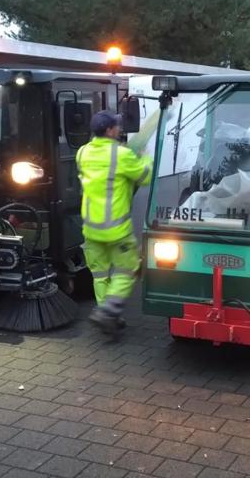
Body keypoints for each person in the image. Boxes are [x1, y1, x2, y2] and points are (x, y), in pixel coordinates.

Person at [77, 110, 152, 334]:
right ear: (109, 130)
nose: (120, 130)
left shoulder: (82, 152)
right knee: (128, 268)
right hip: (116, 229)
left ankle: (105, 314)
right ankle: (109, 310)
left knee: (99, 274)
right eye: (117, 127)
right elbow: (145, 177)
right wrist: (145, 156)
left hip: (91, 228)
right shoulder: (120, 155)